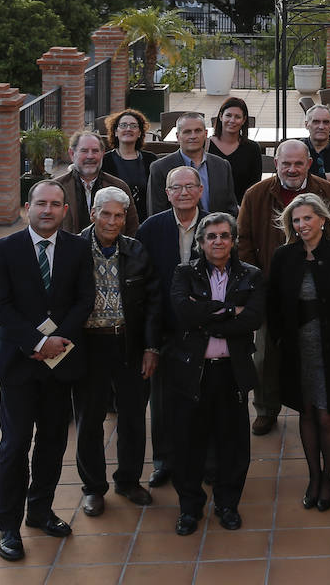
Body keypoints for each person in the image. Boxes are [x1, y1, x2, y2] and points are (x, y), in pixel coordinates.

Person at [0, 180, 94, 562]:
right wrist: (35, 342)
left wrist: (57, 341)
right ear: (27, 207)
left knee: (52, 442)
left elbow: (85, 299)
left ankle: (40, 509)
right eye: (41, 203)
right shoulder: (3, 249)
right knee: (15, 446)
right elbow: (0, 306)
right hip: (18, 364)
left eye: (56, 204)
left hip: (60, 363)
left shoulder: (79, 248)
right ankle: (9, 526)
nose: (48, 210)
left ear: (66, 210)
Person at [164, 212, 264, 536]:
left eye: (224, 235)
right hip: (194, 371)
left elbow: (253, 319)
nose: (218, 241)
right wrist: (227, 310)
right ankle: (189, 508)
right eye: (211, 236)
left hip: (231, 372)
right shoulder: (183, 273)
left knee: (232, 444)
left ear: (233, 241)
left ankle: (227, 504)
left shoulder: (251, 275)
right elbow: (183, 313)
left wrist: (205, 312)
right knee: (188, 443)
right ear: (201, 242)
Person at [237, 139, 330, 436]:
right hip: (270, 288)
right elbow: (244, 241)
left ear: (309, 163)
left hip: (317, 289)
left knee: (314, 351)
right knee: (265, 356)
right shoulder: (256, 194)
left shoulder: (327, 192)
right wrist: (257, 281)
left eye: (299, 163)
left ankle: (317, 405)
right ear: (276, 164)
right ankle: (266, 409)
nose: (292, 169)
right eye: (286, 163)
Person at [268, 194, 330, 512]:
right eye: (296, 220)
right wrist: (281, 340)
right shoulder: (283, 256)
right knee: (306, 413)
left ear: (323, 220)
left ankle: (328, 479)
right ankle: (313, 477)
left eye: (307, 218)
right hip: (298, 351)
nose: (301, 225)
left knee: (328, 415)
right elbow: (274, 305)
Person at [73, 187, 160, 518]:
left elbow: (153, 303)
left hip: (129, 345)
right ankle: (93, 488)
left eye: (119, 215)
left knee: (134, 418)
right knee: (90, 420)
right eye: (105, 214)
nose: (112, 221)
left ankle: (128, 481)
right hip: (89, 345)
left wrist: (151, 347)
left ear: (126, 218)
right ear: (93, 213)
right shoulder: (74, 249)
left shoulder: (137, 251)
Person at [134, 165, 205, 488]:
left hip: (206, 328)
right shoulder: (151, 229)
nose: (184, 193)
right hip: (163, 326)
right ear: (167, 194)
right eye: (177, 188)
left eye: (190, 187)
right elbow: (143, 284)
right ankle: (164, 460)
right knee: (162, 401)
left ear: (201, 191)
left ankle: (206, 459)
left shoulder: (216, 225)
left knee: (204, 396)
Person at [148, 111, 238, 216]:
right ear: (178, 136)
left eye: (198, 131)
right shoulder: (160, 168)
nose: (193, 136)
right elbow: (156, 213)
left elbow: (231, 207)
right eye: (187, 132)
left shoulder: (222, 166)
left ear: (205, 134)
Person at [55, 130, 140, 236]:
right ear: (72, 154)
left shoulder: (119, 187)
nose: (90, 156)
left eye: (95, 151)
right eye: (84, 151)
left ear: (102, 154)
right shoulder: (57, 188)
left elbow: (132, 230)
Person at [102, 108, 157, 222]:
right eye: (123, 125)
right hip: (114, 220)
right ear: (116, 132)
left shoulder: (151, 160)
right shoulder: (104, 161)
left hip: (146, 221)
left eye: (133, 126)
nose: (128, 129)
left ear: (140, 133)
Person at [208, 96, 264, 203]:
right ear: (220, 117)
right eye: (228, 115)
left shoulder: (252, 148)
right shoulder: (205, 146)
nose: (232, 120)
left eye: (237, 117)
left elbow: (255, 185)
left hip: (242, 209)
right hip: (212, 210)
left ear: (244, 120)